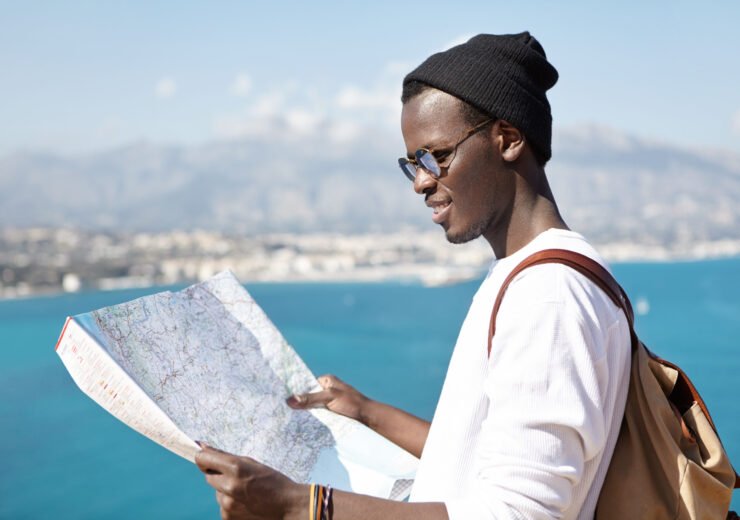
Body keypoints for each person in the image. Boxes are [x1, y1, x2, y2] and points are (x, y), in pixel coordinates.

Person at [196, 32, 632, 519]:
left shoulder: (548, 297)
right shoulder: (528, 276)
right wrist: (367, 412)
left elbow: (516, 513)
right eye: (413, 163)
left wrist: (300, 506)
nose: (423, 181)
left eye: (436, 156)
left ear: (507, 140)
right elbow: (490, 461)